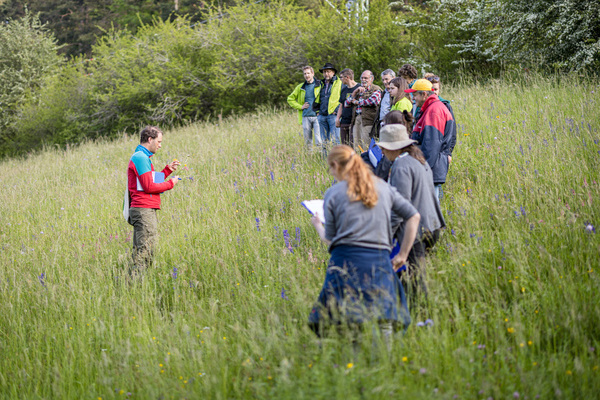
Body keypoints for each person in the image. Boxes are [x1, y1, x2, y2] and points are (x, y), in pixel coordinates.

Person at [309, 145, 420, 344]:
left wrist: (318, 225)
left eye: (330, 169)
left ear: (336, 165)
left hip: (345, 262)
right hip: (379, 260)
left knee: (350, 318)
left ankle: (354, 365)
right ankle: (385, 364)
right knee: (384, 316)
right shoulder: (383, 187)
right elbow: (414, 216)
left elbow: (331, 239)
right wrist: (403, 254)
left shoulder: (333, 194)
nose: (331, 173)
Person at [377, 124, 445, 308]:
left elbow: (401, 208)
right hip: (432, 225)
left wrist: (384, 235)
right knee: (415, 277)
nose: (381, 150)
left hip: (416, 232)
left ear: (395, 147)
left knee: (413, 283)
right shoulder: (418, 159)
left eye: (384, 147)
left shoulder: (401, 166)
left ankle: (418, 318)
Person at [127, 126, 180, 274]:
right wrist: (171, 184)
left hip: (146, 209)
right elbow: (149, 186)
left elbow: (148, 183)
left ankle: (136, 284)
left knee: (146, 251)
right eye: (159, 141)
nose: (160, 145)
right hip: (143, 210)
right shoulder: (140, 158)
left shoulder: (143, 158)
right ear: (150, 139)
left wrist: (167, 170)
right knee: (144, 253)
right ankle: (135, 285)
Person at [405, 79, 456, 201]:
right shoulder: (431, 108)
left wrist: (423, 170)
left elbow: (432, 144)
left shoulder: (434, 111)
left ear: (424, 94)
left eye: (415, 94)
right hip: (431, 168)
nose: (413, 99)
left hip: (431, 170)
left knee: (429, 209)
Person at [345, 70, 382, 151]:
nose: (363, 80)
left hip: (368, 121)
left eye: (366, 78)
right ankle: (359, 162)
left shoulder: (375, 89)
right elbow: (346, 104)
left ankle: (367, 162)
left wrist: (357, 102)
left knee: (366, 145)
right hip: (356, 120)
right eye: (362, 78)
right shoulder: (358, 90)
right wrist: (354, 92)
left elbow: (373, 101)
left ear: (371, 79)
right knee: (356, 146)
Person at [287, 66, 322, 151]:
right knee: (307, 141)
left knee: (319, 140)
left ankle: (321, 157)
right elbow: (290, 99)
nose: (307, 75)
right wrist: (300, 106)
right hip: (305, 116)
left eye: (308, 73)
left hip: (317, 116)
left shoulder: (320, 85)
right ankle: (309, 158)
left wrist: (321, 110)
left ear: (312, 74)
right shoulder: (300, 87)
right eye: (305, 74)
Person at [314, 63, 342, 145]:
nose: (326, 74)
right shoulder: (320, 84)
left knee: (335, 140)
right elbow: (316, 98)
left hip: (333, 115)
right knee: (324, 141)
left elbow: (343, 98)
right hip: (322, 115)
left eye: (328, 71)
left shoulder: (339, 83)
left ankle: (336, 158)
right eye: (324, 72)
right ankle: (324, 158)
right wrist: (317, 112)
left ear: (333, 72)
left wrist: (337, 110)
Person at [336, 68, 360, 147]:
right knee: (344, 146)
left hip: (354, 121)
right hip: (344, 121)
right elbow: (341, 105)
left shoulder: (359, 87)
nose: (340, 79)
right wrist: (338, 118)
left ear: (347, 77)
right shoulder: (344, 89)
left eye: (341, 77)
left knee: (354, 145)